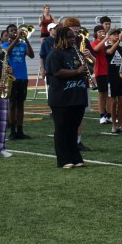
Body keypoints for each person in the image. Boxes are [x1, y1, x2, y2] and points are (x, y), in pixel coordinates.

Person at [46, 26, 88, 168]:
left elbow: (87, 70)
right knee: (62, 128)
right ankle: (64, 159)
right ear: (62, 38)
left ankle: (75, 157)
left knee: (73, 128)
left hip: (77, 96)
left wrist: (87, 64)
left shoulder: (76, 52)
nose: (72, 39)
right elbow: (56, 72)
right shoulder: (55, 54)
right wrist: (77, 71)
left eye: (73, 37)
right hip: (61, 98)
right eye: (69, 37)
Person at [3, 23, 35, 140]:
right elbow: (7, 52)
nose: (14, 32)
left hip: (23, 77)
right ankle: (12, 131)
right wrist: (16, 39)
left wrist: (26, 39)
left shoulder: (23, 44)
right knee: (12, 104)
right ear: (7, 34)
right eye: (12, 31)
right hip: (12, 78)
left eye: (15, 30)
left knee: (20, 104)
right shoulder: (5, 44)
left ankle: (20, 130)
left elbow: (31, 55)